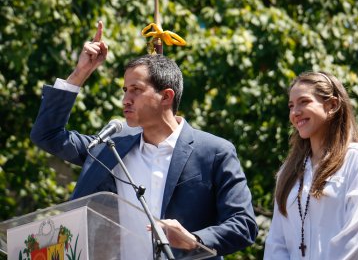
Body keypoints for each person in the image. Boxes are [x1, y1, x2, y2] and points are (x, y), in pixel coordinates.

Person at [30, 21, 258, 259]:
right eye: (124, 90)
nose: (126, 99)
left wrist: (194, 240)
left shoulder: (214, 152)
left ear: (166, 96)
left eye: (136, 90)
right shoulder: (111, 147)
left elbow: (243, 224)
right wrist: (80, 73)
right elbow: (47, 135)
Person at [264, 70, 358, 259]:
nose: (295, 112)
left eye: (304, 102)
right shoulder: (287, 172)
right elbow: (276, 242)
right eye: (291, 105)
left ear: (332, 105)